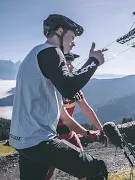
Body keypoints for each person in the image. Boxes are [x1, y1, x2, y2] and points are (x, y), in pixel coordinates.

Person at [9, 14, 109, 180]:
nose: (74, 42)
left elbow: (63, 115)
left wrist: (87, 133)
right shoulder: (51, 51)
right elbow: (68, 87)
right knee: (96, 169)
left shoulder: (33, 55)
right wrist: (94, 61)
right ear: (60, 31)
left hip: (22, 141)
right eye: (72, 36)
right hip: (39, 140)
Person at [45, 52, 106, 180]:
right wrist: (88, 133)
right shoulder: (54, 91)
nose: (72, 67)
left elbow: (86, 109)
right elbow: (66, 119)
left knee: (84, 168)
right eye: (68, 65)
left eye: (71, 64)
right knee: (46, 175)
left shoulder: (74, 90)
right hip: (52, 138)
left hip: (70, 134)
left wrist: (102, 129)